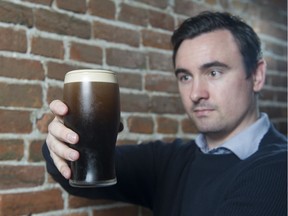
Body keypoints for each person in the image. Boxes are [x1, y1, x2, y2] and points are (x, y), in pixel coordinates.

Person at [42, 11, 287, 216]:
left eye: (214, 72)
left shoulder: (278, 169)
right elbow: (75, 179)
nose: (195, 93)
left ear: (257, 75)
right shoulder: (169, 161)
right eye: (185, 77)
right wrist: (62, 142)